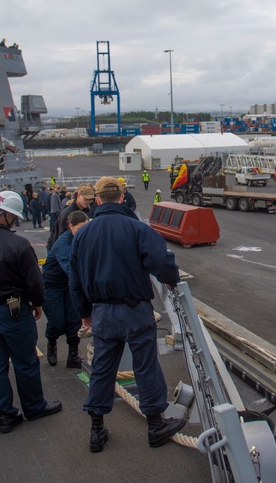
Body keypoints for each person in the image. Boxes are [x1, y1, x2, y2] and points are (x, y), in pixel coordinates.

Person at [69, 176, 185, 453]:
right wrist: (171, 278)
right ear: (122, 198)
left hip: (102, 313)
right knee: (145, 366)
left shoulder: (82, 234)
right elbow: (163, 262)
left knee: (102, 368)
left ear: (96, 200)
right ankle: (156, 425)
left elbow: (75, 281)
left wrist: (85, 315)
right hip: (135, 310)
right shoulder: (136, 228)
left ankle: (97, 430)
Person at [0, 190, 62, 434]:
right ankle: (34, 407)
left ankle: (6, 415)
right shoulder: (19, 245)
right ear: (8, 216)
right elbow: (34, 283)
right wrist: (38, 303)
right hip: (14, 312)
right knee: (25, 362)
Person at [42, 210, 88, 369]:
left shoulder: (83, 239)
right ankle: (52, 341)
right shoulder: (63, 244)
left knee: (74, 320)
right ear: (70, 226)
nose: (82, 231)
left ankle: (73, 355)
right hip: (52, 284)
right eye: (79, 228)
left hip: (70, 285)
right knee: (57, 321)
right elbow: (70, 269)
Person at [47, 184, 94, 250]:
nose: (88, 202)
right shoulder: (67, 213)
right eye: (85, 199)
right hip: (60, 248)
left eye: (90, 200)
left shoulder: (89, 211)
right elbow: (62, 237)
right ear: (78, 196)